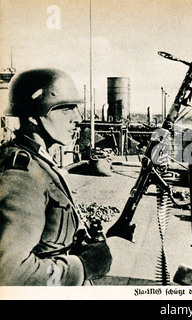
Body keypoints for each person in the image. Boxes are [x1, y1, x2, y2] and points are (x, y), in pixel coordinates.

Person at [0, 68, 112, 285]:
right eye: (64, 109)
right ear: (33, 116)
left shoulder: (40, 162)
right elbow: (9, 273)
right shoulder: (21, 175)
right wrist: (81, 268)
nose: (77, 118)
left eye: (76, 108)